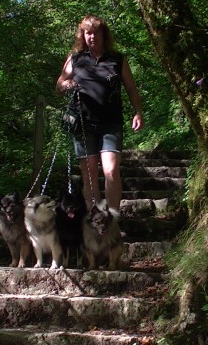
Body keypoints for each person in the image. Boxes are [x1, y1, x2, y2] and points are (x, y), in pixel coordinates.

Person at [56, 15, 144, 211]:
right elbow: (59, 84)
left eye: (96, 32)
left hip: (111, 123)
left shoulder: (117, 59)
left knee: (111, 171)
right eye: (88, 33)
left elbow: (131, 88)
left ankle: (112, 218)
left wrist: (138, 112)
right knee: (89, 176)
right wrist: (66, 84)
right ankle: (95, 220)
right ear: (82, 35)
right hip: (82, 122)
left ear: (104, 35)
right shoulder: (75, 59)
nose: (92, 36)